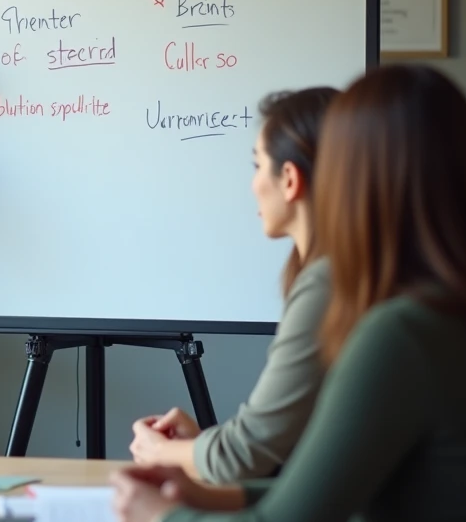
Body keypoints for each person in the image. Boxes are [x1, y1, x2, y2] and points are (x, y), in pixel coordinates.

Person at [112, 65, 466, 522]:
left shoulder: (401, 336)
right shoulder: (456, 311)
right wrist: (216, 498)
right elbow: (360, 506)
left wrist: (157, 521)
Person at [129, 88, 336, 483]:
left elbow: (247, 453)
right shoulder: (339, 275)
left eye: (258, 165)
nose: (253, 183)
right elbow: (292, 453)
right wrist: (203, 445)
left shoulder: (326, 288)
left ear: (290, 179)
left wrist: (163, 452)